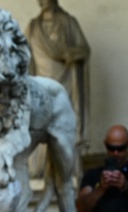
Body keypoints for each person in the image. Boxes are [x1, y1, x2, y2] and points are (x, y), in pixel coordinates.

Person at [26, 0, 90, 149]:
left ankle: (69, 167)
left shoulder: (69, 23)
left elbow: (84, 49)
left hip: (66, 82)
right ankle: (41, 170)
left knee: (65, 123)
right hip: (41, 84)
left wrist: (73, 53)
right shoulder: (33, 27)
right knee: (40, 124)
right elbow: (26, 58)